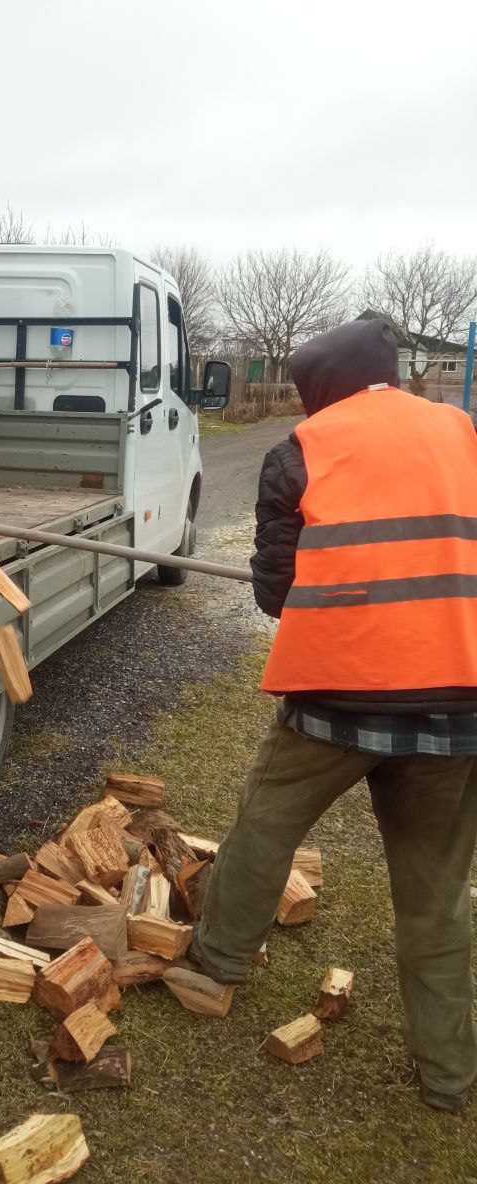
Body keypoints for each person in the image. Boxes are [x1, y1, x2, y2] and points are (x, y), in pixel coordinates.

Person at [189, 318, 477, 1114]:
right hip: (458, 700)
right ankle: (448, 1077)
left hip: (338, 695)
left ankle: (218, 963)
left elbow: (275, 593)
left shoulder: (301, 449)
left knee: (265, 823)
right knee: (436, 891)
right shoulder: (463, 430)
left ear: (319, 391)